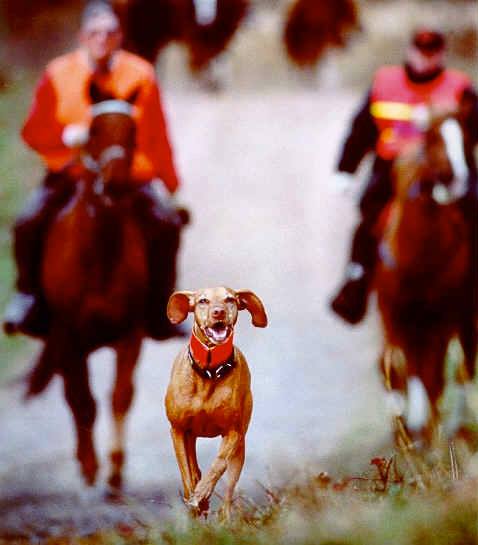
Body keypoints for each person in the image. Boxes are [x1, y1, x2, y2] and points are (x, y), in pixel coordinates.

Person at [4, 0, 187, 340]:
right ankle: (28, 297)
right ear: (82, 37)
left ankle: (163, 308)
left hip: (127, 177)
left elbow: (157, 134)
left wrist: (170, 180)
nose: (102, 39)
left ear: (120, 36)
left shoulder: (140, 74)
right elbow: (32, 131)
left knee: (166, 223)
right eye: (95, 33)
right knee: (27, 222)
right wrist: (64, 136)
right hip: (71, 173)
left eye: (110, 33)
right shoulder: (58, 73)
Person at [330, 28, 478, 324]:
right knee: (370, 216)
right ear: (410, 52)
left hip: (447, 170)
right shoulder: (385, 82)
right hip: (392, 168)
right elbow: (361, 129)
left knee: (474, 211)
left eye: (432, 53)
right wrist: (346, 169)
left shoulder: (459, 87)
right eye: (421, 52)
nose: (426, 59)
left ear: (442, 55)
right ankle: (356, 281)